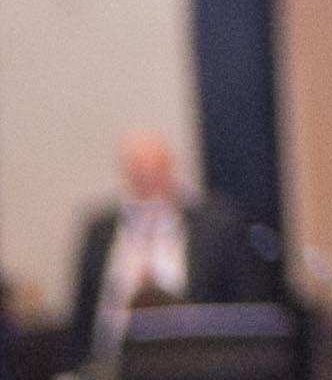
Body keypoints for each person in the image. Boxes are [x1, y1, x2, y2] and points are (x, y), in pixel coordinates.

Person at [66, 130, 279, 363]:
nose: (147, 179)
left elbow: (241, 306)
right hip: (111, 363)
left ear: (171, 169)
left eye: (154, 170)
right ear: (126, 174)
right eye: (138, 171)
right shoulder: (100, 230)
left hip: (194, 364)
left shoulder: (216, 226)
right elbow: (83, 311)